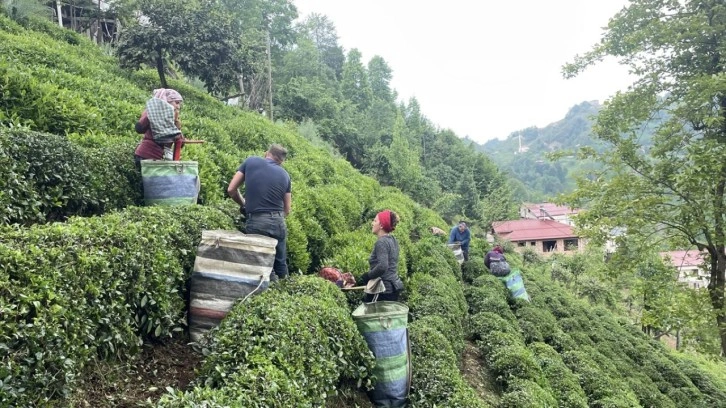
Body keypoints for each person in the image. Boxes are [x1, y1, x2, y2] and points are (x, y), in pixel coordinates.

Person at [227, 144, 291, 281]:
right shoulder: (285, 175)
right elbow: (287, 210)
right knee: (280, 263)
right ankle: (284, 295)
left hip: (257, 221)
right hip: (278, 221)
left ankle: (265, 295)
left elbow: (231, 189)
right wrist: (275, 218)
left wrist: (243, 203)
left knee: (260, 265)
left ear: (266, 153)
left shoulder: (251, 161)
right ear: (281, 161)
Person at [134, 88, 184, 169]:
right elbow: (139, 128)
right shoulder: (152, 112)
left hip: (158, 159)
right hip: (145, 156)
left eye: (179, 104)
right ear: (167, 102)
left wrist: (177, 127)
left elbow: (180, 143)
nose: (178, 106)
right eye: (176, 103)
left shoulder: (172, 119)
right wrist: (148, 115)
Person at [360, 210, 404, 302]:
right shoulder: (393, 239)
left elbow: (382, 266)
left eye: (375, 221)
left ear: (381, 225)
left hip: (382, 291)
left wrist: (368, 276)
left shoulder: (381, 242)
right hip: (393, 287)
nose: (372, 223)